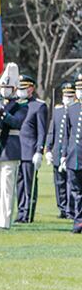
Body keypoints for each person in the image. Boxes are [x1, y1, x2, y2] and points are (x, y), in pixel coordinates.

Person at [0, 78, 28, 229]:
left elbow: (16, 123)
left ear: (14, 88)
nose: (3, 89)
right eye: (2, 86)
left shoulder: (20, 106)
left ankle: (5, 220)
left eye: (7, 87)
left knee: (7, 187)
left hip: (9, 149)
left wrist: (0, 110)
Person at [14, 75, 47, 223]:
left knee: (29, 185)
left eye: (24, 88)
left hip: (29, 150)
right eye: (19, 88)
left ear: (31, 88)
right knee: (19, 185)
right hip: (16, 150)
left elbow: (41, 131)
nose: (20, 91)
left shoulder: (39, 106)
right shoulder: (15, 105)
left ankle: (28, 214)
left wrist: (39, 151)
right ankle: (20, 212)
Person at [46, 82, 75, 219]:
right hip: (58, 151)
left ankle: (71, 209)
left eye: (70, 95)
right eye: (65, 95)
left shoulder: (75, 110)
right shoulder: (58, 110)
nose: (67, 98)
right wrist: (48, 149)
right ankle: (62, 208)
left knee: (70, 182)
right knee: (59, 183)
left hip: (70, 153)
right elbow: (52, 131)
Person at [63, 74, 82, 233]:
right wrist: (63, 155)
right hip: (73, 156)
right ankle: (78, 220)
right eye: (78, 89)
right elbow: (66, 135)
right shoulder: (72, 109)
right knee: (75, 191)